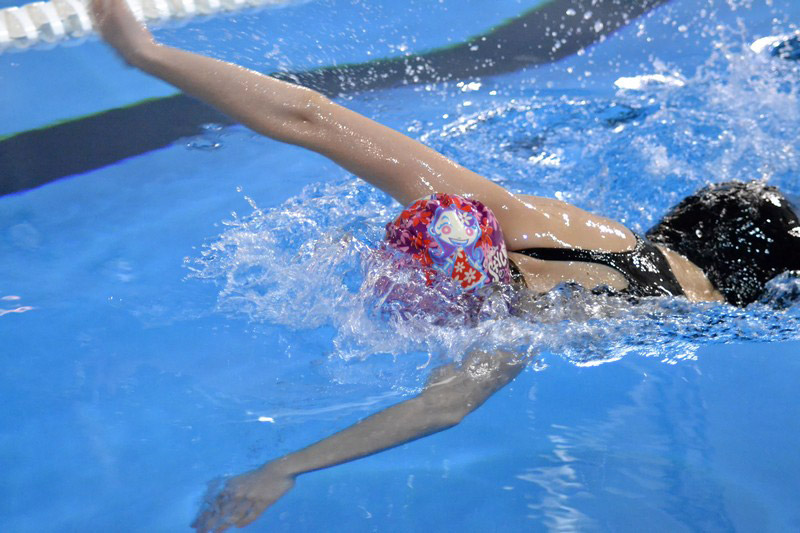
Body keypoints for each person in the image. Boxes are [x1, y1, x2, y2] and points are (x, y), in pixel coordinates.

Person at [89, 0, 800, 530]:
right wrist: (147, 54)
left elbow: (443, 407)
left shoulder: (537, 314)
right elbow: (310, 117)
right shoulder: (527, 223)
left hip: (738, 280)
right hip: (681, 244)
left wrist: (286, 467)